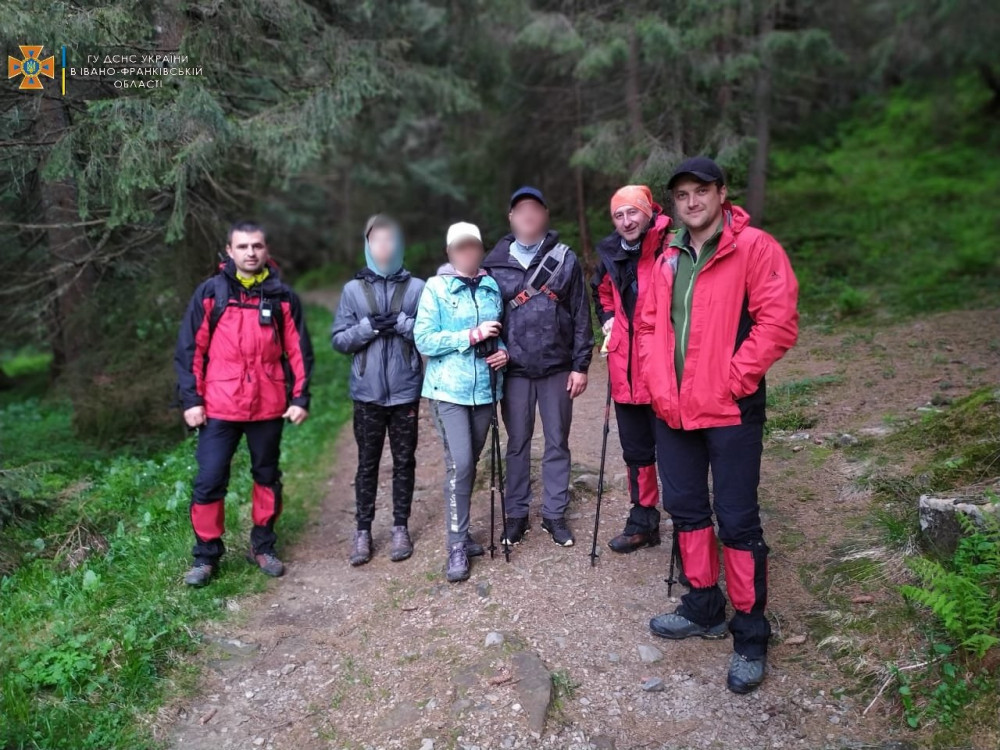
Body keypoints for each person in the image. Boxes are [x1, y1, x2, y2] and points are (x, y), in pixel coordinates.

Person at [636, 157, 799, 694]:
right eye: (682, 194)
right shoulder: (667, 256)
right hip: (673, 410)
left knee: (737, 521)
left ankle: (750, 633)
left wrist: (734, 379)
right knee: (686, 511)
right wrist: (657, 382)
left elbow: (777, 322)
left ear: (722, 193)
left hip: (730, 409)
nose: (692, 202)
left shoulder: (754, 247)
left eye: (701, 191)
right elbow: (649, 326)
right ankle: (703, 606)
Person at [174, 221, 314, 587]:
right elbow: (191, 350)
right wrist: (192, 400)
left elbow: (298, 350)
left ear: (266, 250)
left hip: (268, 404)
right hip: (218, 406)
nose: (251, 252)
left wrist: (300, 397)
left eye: (257, 246)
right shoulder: (211, 293)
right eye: (243, 246)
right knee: (209, 480)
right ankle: (206, 556)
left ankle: (262, 546)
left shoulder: (282, 297)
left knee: (267, 476)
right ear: (229, 251)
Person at [482, 187, 594, 548]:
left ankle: (554, 513)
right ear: (511, 218)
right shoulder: (494, 265)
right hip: (514, 370)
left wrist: (581, 365)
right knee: (517, 443)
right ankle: (516, 514)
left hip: (557, 367)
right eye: (521, 210)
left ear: (545, 215)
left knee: (557, 441)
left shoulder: (565, 259)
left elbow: (580, 313)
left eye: (534, 209)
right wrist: (493, 351)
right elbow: (485, 317)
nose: (528, 215)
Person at [413, 222, 509, 582]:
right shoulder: (436, 288)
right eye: (459, 247)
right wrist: (469, 335)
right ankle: (456, 545)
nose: (467, 252)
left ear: (480, 249)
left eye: (472, 246)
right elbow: (424, 339)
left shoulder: (490, 287)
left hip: (484, 390)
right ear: (450, 252)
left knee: (469, 464)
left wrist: (503, 352)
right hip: (447, 391)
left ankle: (463, 533)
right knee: (462, 464)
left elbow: (498, 334)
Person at [332, 215, 425, 566]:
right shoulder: (352, 291)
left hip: (405, 392)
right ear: (367, 245)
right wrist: (367, 328)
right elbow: (340, 340)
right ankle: (363, 531)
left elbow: (429, 336)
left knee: (404, 461)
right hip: (367, 394)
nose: (384, 247)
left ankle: (400, 526)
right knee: (367, 463)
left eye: (390, 240)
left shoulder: (417, 288)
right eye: (377, 241)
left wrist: (402, 324)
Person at [592, 185, 673, 553]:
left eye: (632, 212)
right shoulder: (611, 253)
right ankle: (643, 520)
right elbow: (602, 292)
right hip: (625, 369)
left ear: (648, 211)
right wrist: (608, 318)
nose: (626, 222)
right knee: (636, 452)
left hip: (664, 369)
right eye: (619, 215)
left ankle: (689, 526)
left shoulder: (670, 246)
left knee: (675, 453)